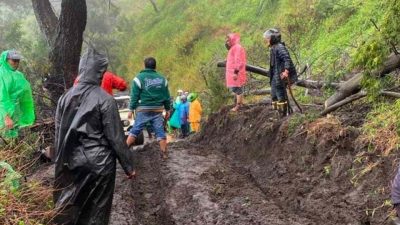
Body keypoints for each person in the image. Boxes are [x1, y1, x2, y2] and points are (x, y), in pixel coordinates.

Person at [53, 49, 135, 225]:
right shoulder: (105, 99)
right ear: (100, 72)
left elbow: (59, 133)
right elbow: (116, 137)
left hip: (71, 161)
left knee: (73, 204)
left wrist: (59, 163)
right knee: (98, 209)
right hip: (100, 164)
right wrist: (128, 166)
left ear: (82, 69)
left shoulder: (64, 98)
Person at [127, 57, 171, 159]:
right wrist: (167, 109)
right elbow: (166, 96)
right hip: (157, 110)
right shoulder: (162, 79)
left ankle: (124, 150)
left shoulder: (138, 78)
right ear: (155, 66)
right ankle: (164, 153)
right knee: (160, 131)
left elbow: (135, 96)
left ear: (144, 65)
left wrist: (130, 109)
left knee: (135, 130)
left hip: (143, 109)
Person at [0, 50, 35, 138]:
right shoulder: (1, 74)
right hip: (3, 115)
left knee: (14, 142)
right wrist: (6, 117)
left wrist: (27, 114)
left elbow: (26, 96)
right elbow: (2, 98)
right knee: (4, 141)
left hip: (16, 114)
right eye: (13, 60)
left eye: (18, 61)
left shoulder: (19, 75)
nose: (16, 63)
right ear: (6, 60)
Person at [263, 28, 297, 116]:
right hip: (275, 75)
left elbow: (287, 59)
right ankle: (278, 114)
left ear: (272, 38)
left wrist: (286, 71)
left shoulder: (280, 47)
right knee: (274, 94)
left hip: (281, 75)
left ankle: (284, 115)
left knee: (281, 95)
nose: (266, 40)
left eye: (267, 38)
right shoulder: (273, 48)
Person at [225, 33, 247, 112]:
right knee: (235, 88)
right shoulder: (233, 48)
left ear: (232, 40)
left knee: (237, 88)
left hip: (235, 72)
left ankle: (239, 105)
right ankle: (240, 103)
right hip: (231, 72)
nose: (227, 42)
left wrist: (236, 72)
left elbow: (239, 61)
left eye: (228, 40)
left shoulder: (237, 48)